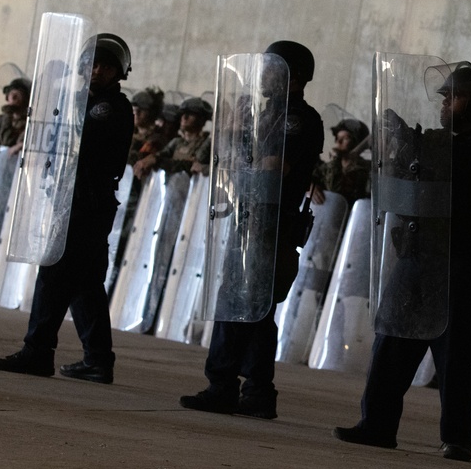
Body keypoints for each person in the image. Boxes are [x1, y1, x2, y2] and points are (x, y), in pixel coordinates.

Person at [333, 63, 471, 462]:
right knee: (391, 342)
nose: (447, 103)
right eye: (446, 97)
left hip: (460, 266)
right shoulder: (442, 141)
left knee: (453, 356)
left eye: (455, 97)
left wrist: (415, 143)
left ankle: (457, 438)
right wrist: (401, 139)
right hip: (418, 256)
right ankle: (376, 425)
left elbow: (457, 170)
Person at [179, 40, 323, 419]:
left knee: (246, 305)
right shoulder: (267, 115)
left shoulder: (297, 119)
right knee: (248, 308)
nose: (263, 74)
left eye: (272, 67)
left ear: (291, 75)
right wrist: (232, 133)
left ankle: (226, 384)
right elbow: (237, 163)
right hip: (249, 218)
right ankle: (254, 391)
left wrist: (244, 140)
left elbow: (275, 167)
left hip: (271, 223)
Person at [0, 34, 134, 383]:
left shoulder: (109, 107)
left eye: (105, 65)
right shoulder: (79, 100)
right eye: (92, 64)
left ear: (118, 72)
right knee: (85, 284)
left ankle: (37, 351)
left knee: (54, 275)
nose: (97, 70)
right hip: (70, 198)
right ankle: (98, 359)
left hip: (86, 202)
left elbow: (81, 145)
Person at [133, 97, 212, 179]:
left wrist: (157, 161)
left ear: (202, 120)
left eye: (191, 114)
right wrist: (152, 158)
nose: (184, 117)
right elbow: (162, 154)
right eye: (183, 113)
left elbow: (191, 164)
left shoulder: (205, 144)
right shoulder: (177, 142)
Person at [311, 117, 371, 205]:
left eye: (345, 138)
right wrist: (310, 186)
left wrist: (336, 159)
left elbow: (335, 189)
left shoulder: (365, 169)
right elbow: (310, 176)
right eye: (338, 137)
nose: (338, 142)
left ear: (357, 143)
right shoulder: (327, 166)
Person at [127, 86, 167, 165]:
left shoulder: (157, 138)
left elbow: (139, 158)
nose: (136, 113)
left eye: (142, 109)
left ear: (152, 112)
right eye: (134, 109)